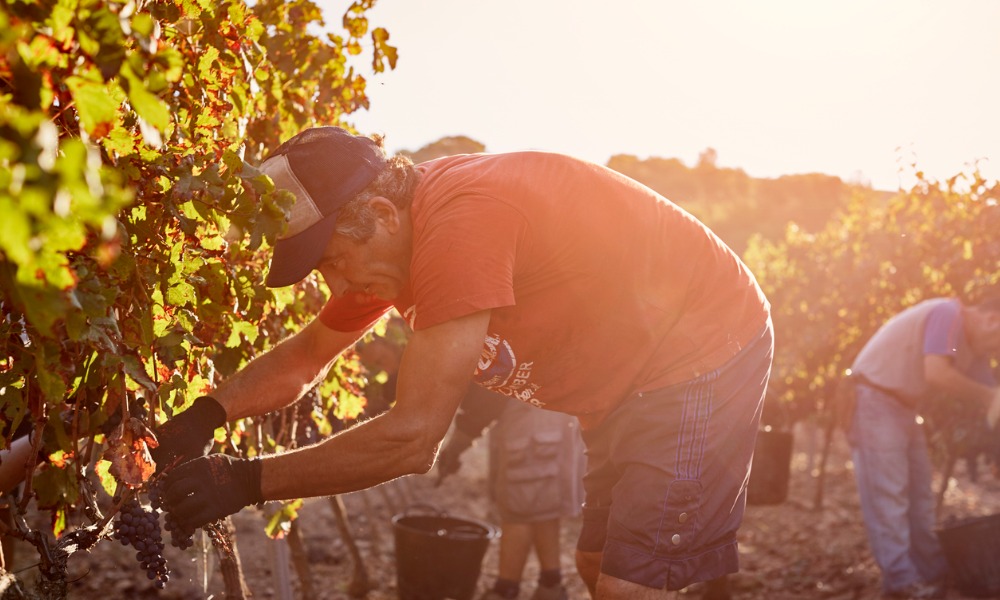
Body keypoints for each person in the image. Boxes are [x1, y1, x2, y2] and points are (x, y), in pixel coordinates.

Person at [154, 126, 773, 599]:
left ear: (382, 216)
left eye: (334, 260)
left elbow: (412, 438)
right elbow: (309, 355)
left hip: (699, 353)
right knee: (599, 564)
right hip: (624, 387)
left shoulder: (459, 228)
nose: (337, 283)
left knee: (632, 584)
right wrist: (206, 414)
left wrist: (243, 480)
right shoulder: (393, 243)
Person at [846, 294, 1000, 599]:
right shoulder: (948, 313)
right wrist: (989, 398)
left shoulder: (973, 350)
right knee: (888, 497)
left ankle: (933, 573)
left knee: (920, 496)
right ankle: (902, 582)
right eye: (998, 342)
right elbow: (938, 374)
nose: (996, 351)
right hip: (873, 398)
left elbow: (992, 403)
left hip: (903, 407)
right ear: (993, 320)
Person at [436, 385, 586, 600]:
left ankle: (505, 590)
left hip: (531, 425)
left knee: (518, 509)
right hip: (551, 420)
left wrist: (456, 445)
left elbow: (484, 403)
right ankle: (550, 586)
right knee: (542, 504)